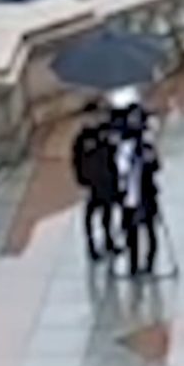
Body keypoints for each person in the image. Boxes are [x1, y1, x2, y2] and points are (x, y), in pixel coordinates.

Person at [110, 91, 162, 278]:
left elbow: (156, 165)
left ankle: (149, 263)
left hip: (145, 194)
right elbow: (119, 170)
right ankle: (133, 265)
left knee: (149, 230)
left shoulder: (145, 145)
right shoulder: (123, 148)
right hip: (129, 197)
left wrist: (146, 157)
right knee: (132, 232)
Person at [71, 104, 120, 262]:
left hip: (106, 178)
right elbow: (77, 160)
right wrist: (82, 178)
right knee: (91, 214)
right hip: (93, 181)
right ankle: (91, 245)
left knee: (107, 212)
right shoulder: (84, 138)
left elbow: (113, 154)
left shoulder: (105, 133)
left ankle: (109, 241)